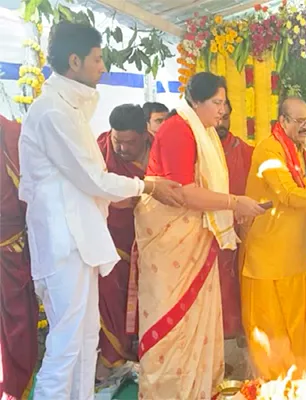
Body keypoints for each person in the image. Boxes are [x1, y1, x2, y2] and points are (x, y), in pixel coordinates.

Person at [18, 22, 182, 399]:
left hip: (79, 240)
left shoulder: (69, 109)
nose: (103, 67)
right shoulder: (53, 113)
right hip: (64, 243)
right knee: (66, 345)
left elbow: (94, 181)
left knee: (85, 336)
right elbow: (95, 179)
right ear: (74, 61)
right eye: (97, 59)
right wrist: (149, 185)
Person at [134, 72, 265, 398]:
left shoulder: (200, 131)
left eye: (224, 103)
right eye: (217, 103)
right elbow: (185, 193)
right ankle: (175, 391)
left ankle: (199, 387)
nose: (222, 110)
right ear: (197, 101)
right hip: (172, 242)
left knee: (198, 321)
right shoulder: (179, 130)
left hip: (194, 238)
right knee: (176, 322)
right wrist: (235, 204)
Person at [241, 97, 306, 381]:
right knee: (270, 328)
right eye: (299, 121)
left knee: (301, 324)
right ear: (283, 121)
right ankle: (274, 386)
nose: (305, 126)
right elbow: (286, 193)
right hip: (266, 254)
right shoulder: (268, 151)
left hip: (296, 254)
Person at [95, 104, 153, 381]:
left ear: (144, 135)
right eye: (117, 140)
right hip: (112, 245)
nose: (120, 148)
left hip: (151, 245)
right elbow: (87, 186)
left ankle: (148, 357)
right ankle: (111, 361)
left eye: (129, 143)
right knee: (110, 302)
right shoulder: (100, 148)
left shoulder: (159, 150)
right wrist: (112, 200)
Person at [0, 115, 38, 399]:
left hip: (11, 247)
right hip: (11, 246)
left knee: (16, 322)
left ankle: (13, 387)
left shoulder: (13, 135)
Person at [216, 99, 253, 346]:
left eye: (226, 117)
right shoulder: (197, 149)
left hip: (241, 228)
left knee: (240, 282)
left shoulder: (244, 150)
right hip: (211, 230)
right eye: (217, 116)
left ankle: (244, 332)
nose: (221, 123)